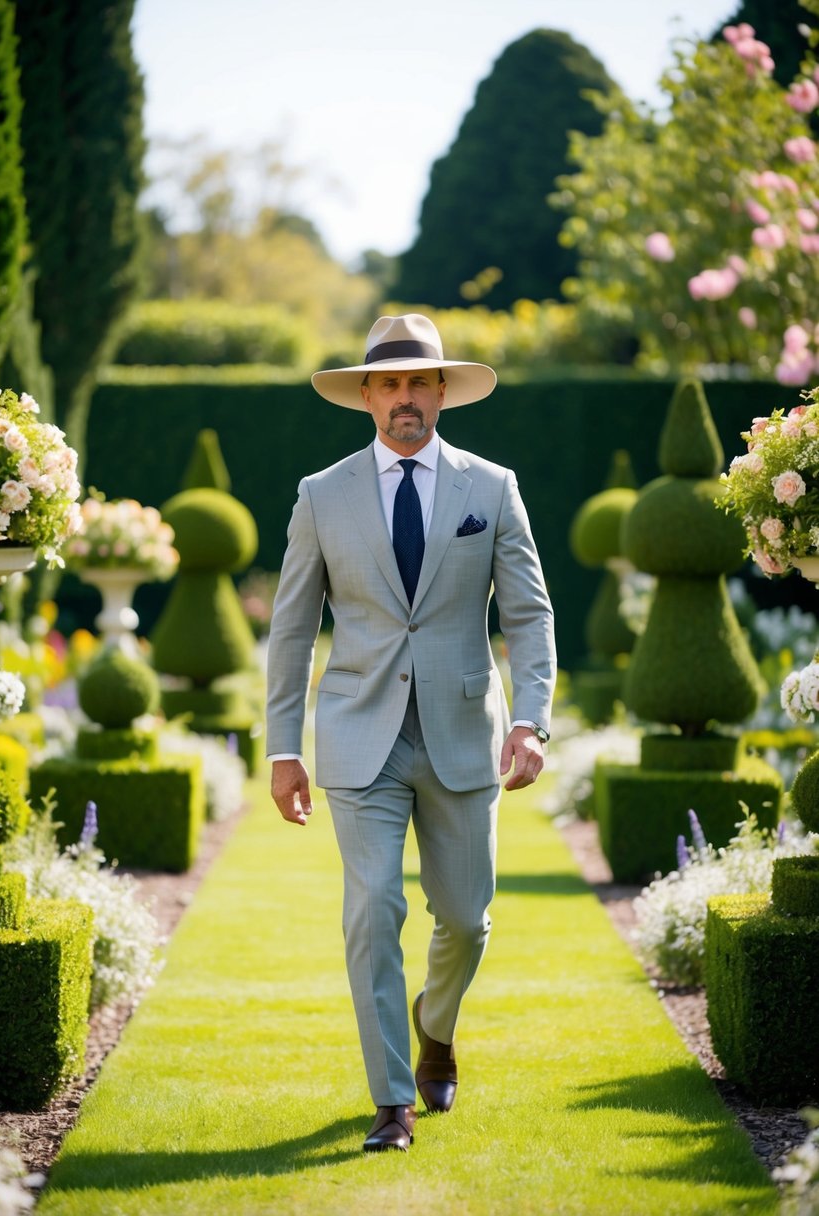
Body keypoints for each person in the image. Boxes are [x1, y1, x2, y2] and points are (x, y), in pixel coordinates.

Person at [267, 313, 556, 1153]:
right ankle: (391, 1100)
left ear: (441, 392)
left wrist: (533, 721)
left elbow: (530, 615)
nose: (403, 398)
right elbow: (290, 629)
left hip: (465, 732)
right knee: (373, 910)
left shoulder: (490, 487)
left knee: (466, 921)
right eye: (387, 384)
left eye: (417, 383)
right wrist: (284, 748)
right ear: (365, 396)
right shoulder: (320, 495)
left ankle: (436, 1022)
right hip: (361, 736)